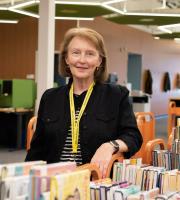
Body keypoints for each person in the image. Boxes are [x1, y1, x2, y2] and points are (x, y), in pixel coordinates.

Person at [25, 27, 143, 178]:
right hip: (55, 182)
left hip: (96, 181)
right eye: (75, 53)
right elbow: (37, 149)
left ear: (99, 61)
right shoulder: (50, 97)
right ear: (67, 59)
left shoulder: (116, 95)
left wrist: (110, 146)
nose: (82, 60)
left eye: (90, 54)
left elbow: (133, 136)